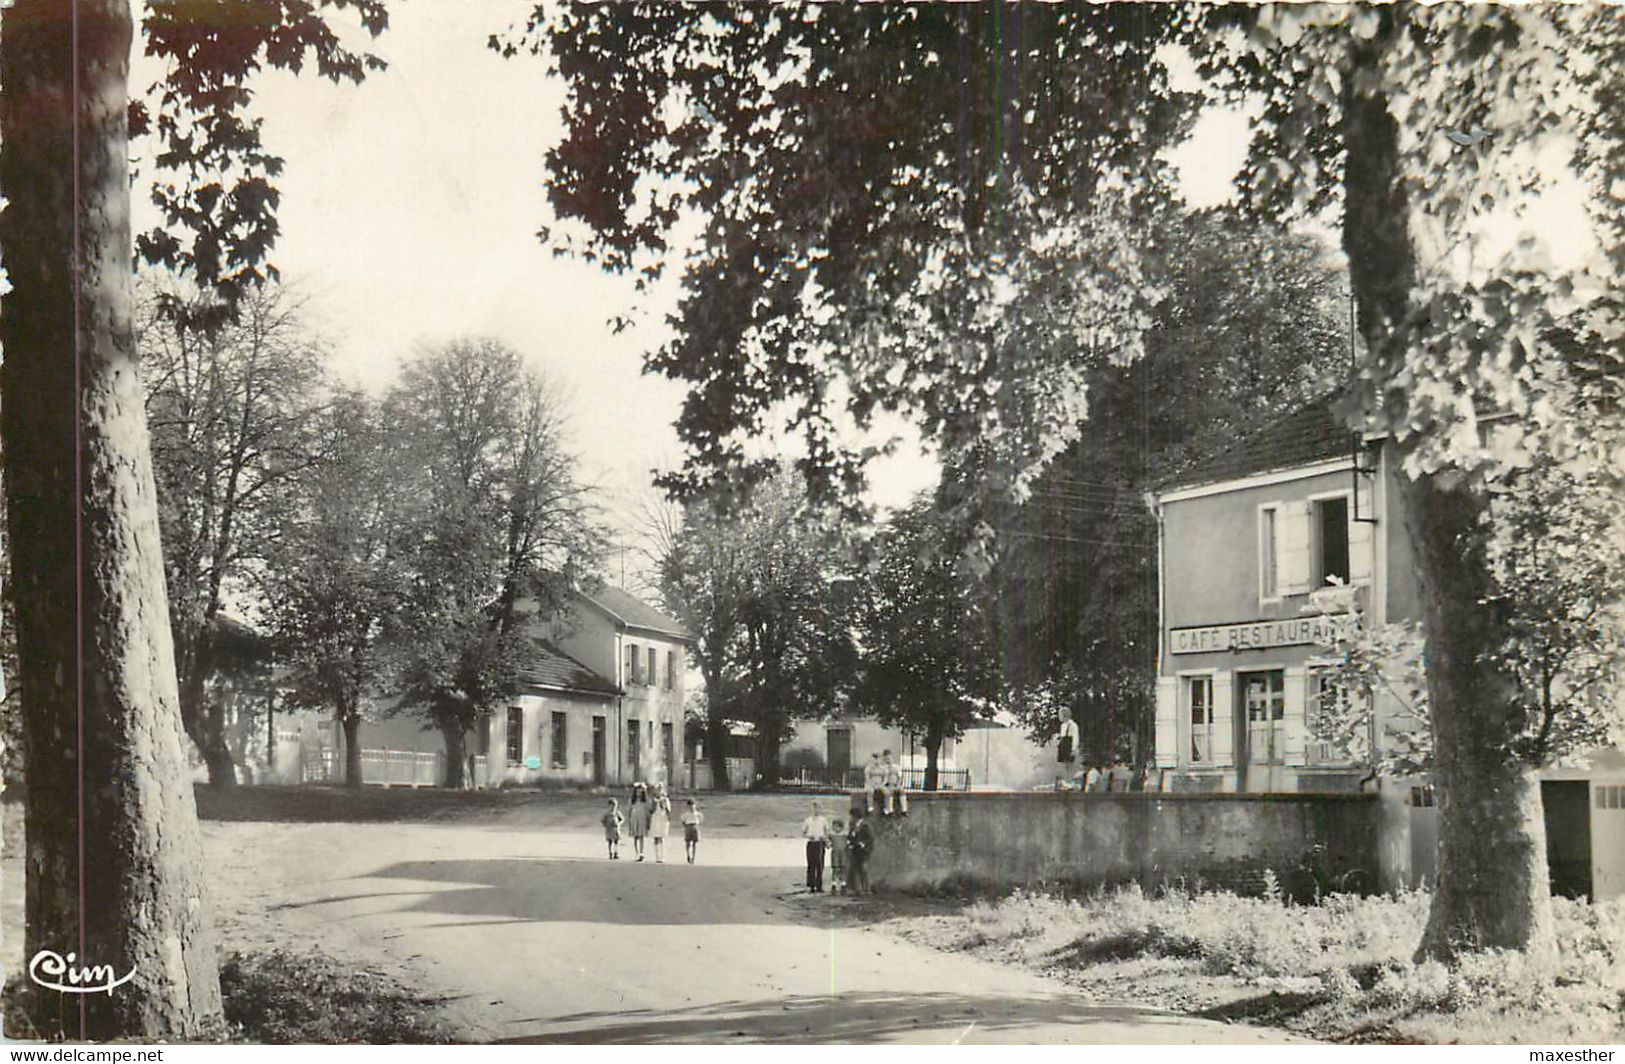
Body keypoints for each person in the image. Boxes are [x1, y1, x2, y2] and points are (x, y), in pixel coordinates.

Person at [800, 799, 830, 892]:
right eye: (814, 807)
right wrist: (809, 836)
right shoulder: (808, 820)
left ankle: (819, 885)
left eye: (818, 808)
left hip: (820, 843)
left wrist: (824, 838)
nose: (816, 810)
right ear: (812, 809)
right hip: (811, 843)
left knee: (820, 864)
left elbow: (827, 832)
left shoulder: (823, 820)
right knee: (811, 864)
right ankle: (811, 885)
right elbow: (803, 833)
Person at [846, 804, 876, 895]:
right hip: (855, 849)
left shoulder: (865, 825)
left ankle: (867, 889)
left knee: (863, 869)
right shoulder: (853, 825)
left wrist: (863, 843)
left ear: (856, 817)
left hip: (864, 851)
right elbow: (850, 836)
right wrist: (850, 842)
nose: (851, 818)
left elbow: (871, 838)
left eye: (852, 816)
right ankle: (858, 889)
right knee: (855, 869)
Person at [627, 782, 652, 861]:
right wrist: (629, 821)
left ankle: (641, 853)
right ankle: (636, 853)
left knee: (641, 836)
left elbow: (648, 811)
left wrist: (648, 820)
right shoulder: (632, 800)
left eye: (641, 792)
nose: (639, 794)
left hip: (642, 818)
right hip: (634, 818)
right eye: (637, 792)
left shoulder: (646, 801)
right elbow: (629, 810)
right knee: (635, 836)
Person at [649, 783, 672, 863]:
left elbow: (668, 810)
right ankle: (657, 856)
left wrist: (668, 818)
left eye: (660, 789)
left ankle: (662, 856)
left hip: (662, 818)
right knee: (656, 837)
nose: (659, 791)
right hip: (655, 817)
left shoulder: (665, 800)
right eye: (657, 789)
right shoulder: (653, 800)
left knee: (662, 837)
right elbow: (651, 810)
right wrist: (655, 803)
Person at [882, 749, 907, 815]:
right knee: (889, 792)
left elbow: (899, 776)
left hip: (895, 784)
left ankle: (904, 810)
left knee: (902, 791)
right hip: (888, 785)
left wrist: (898, 784)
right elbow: (884, 778)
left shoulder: (896, 767)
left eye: (889, 758)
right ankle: (890, 809)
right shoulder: (883, 768)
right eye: (886, 758)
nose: (888, 760)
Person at [828, 816, 849, 893]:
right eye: (834, 827)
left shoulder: (844, 835)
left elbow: (848, 843)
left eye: (836, 827)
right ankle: (834, 884)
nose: (835, 829)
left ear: (840, 827)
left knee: (843, 868)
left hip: (843, 854)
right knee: (835, 869)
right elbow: (828, 844)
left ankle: (843, 883)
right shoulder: (832, 835)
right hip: (835, 854)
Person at [863, 752, 888, 816]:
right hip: (870, 784)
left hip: (880, 784)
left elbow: (885, 779)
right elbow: (867, 778)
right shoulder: (868, 768)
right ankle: (870, 807)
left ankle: (886, 808)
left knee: (887, 792)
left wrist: (882, 784)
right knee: (870, 791)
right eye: (875, 759)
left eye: (878, 759)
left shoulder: (883, 768)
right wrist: (872, 785)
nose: (876, 761)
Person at [681, 797, 704, 864]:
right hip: (688, 826)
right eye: (690, 806)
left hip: (695, 826)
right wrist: (686, 826)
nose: (692, 807)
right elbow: (683, 821)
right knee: (688, 842)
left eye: (693, 805)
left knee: (694, 843)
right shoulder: (685, 814)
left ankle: (693, 857)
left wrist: (697, 825)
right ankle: (688, 854)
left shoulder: (697, 814)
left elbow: (701, 820)